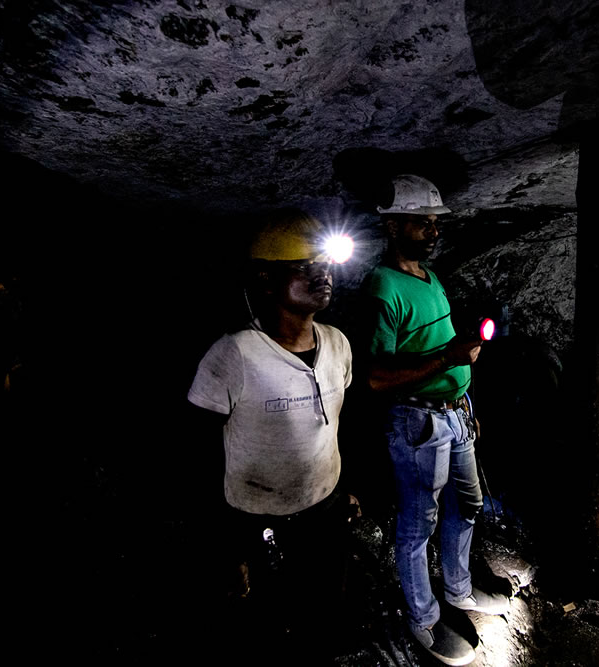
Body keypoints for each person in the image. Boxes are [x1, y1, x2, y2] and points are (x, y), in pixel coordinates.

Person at [187, 208, 354, 649]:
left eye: (325, 265)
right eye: (304, 268)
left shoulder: (338, 342)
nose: (322, 275)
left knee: (326, 604)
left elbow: (337, 422)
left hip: (324, 505)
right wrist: (227, 547)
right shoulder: (234, 355)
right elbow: (200, 449)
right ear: (265, 280)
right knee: (270, 617)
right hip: (255, 515)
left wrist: (346, 489)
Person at [364, 175, 508, 666]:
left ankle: (459, 590)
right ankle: (423, 618)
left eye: (434, 223)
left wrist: (464, 398)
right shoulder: (382, 288)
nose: (433, 232)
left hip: (454, 415)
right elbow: (375, 378)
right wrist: (448, 360)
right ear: (393, 226)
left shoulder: (430, 276)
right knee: (417, 524)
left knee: (467, 505)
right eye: (422, 224)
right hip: (417, 423)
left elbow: (438, 346)